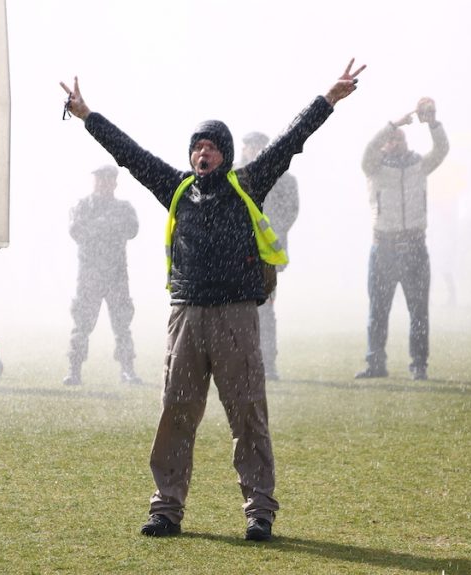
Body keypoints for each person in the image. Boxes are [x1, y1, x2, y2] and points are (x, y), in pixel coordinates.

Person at [60, 59, 365, 542]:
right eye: (197, 147)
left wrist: (328, 99)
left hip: (236, 316)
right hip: (185, 316)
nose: (202, 153)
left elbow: (291, 141)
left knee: (247, 413)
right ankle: (166, 508)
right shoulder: (176, 187)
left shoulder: (247, 183)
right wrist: (87, 116)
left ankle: (259, 511)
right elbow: (131, 155)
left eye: (210, 147)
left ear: (224, 154)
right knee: (176, 413)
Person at [355, 97, 449, 381]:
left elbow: (442, 149)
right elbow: (368, 150)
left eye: (399, 138)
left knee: (418, 310)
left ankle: (419, 364)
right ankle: (375, 363)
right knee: (378, 310)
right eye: (391, 139)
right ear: (385, 142)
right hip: (383, 246)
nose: (395, 142)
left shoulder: (419, 164)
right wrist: (392, 124)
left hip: (415, 246)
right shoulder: (374, 166)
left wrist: (432, 123)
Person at [62, 165, 143, 387]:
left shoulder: (124, 208)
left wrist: (100, 226)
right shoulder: (83, 206)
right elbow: (76, 231)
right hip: (90, 275)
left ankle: (127, 370)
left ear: (114, 183)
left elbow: (132, 229)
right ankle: (74, 370)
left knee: (122, 325)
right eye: (99, 180)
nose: (102, 184)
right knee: (81, 325)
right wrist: (104, 225)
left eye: (107, 180)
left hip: (116, 275)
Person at [239, 131, 300, 381]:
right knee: (234, 311)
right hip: (235, 256)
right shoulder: (233, 177)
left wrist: (265, 236)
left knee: (265, 311)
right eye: (250, 146)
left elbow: (289, 214)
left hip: (266, 257)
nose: (254, 150)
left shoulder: (284, 179)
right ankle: (239, 364)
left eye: (259, 146)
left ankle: (268, 364)